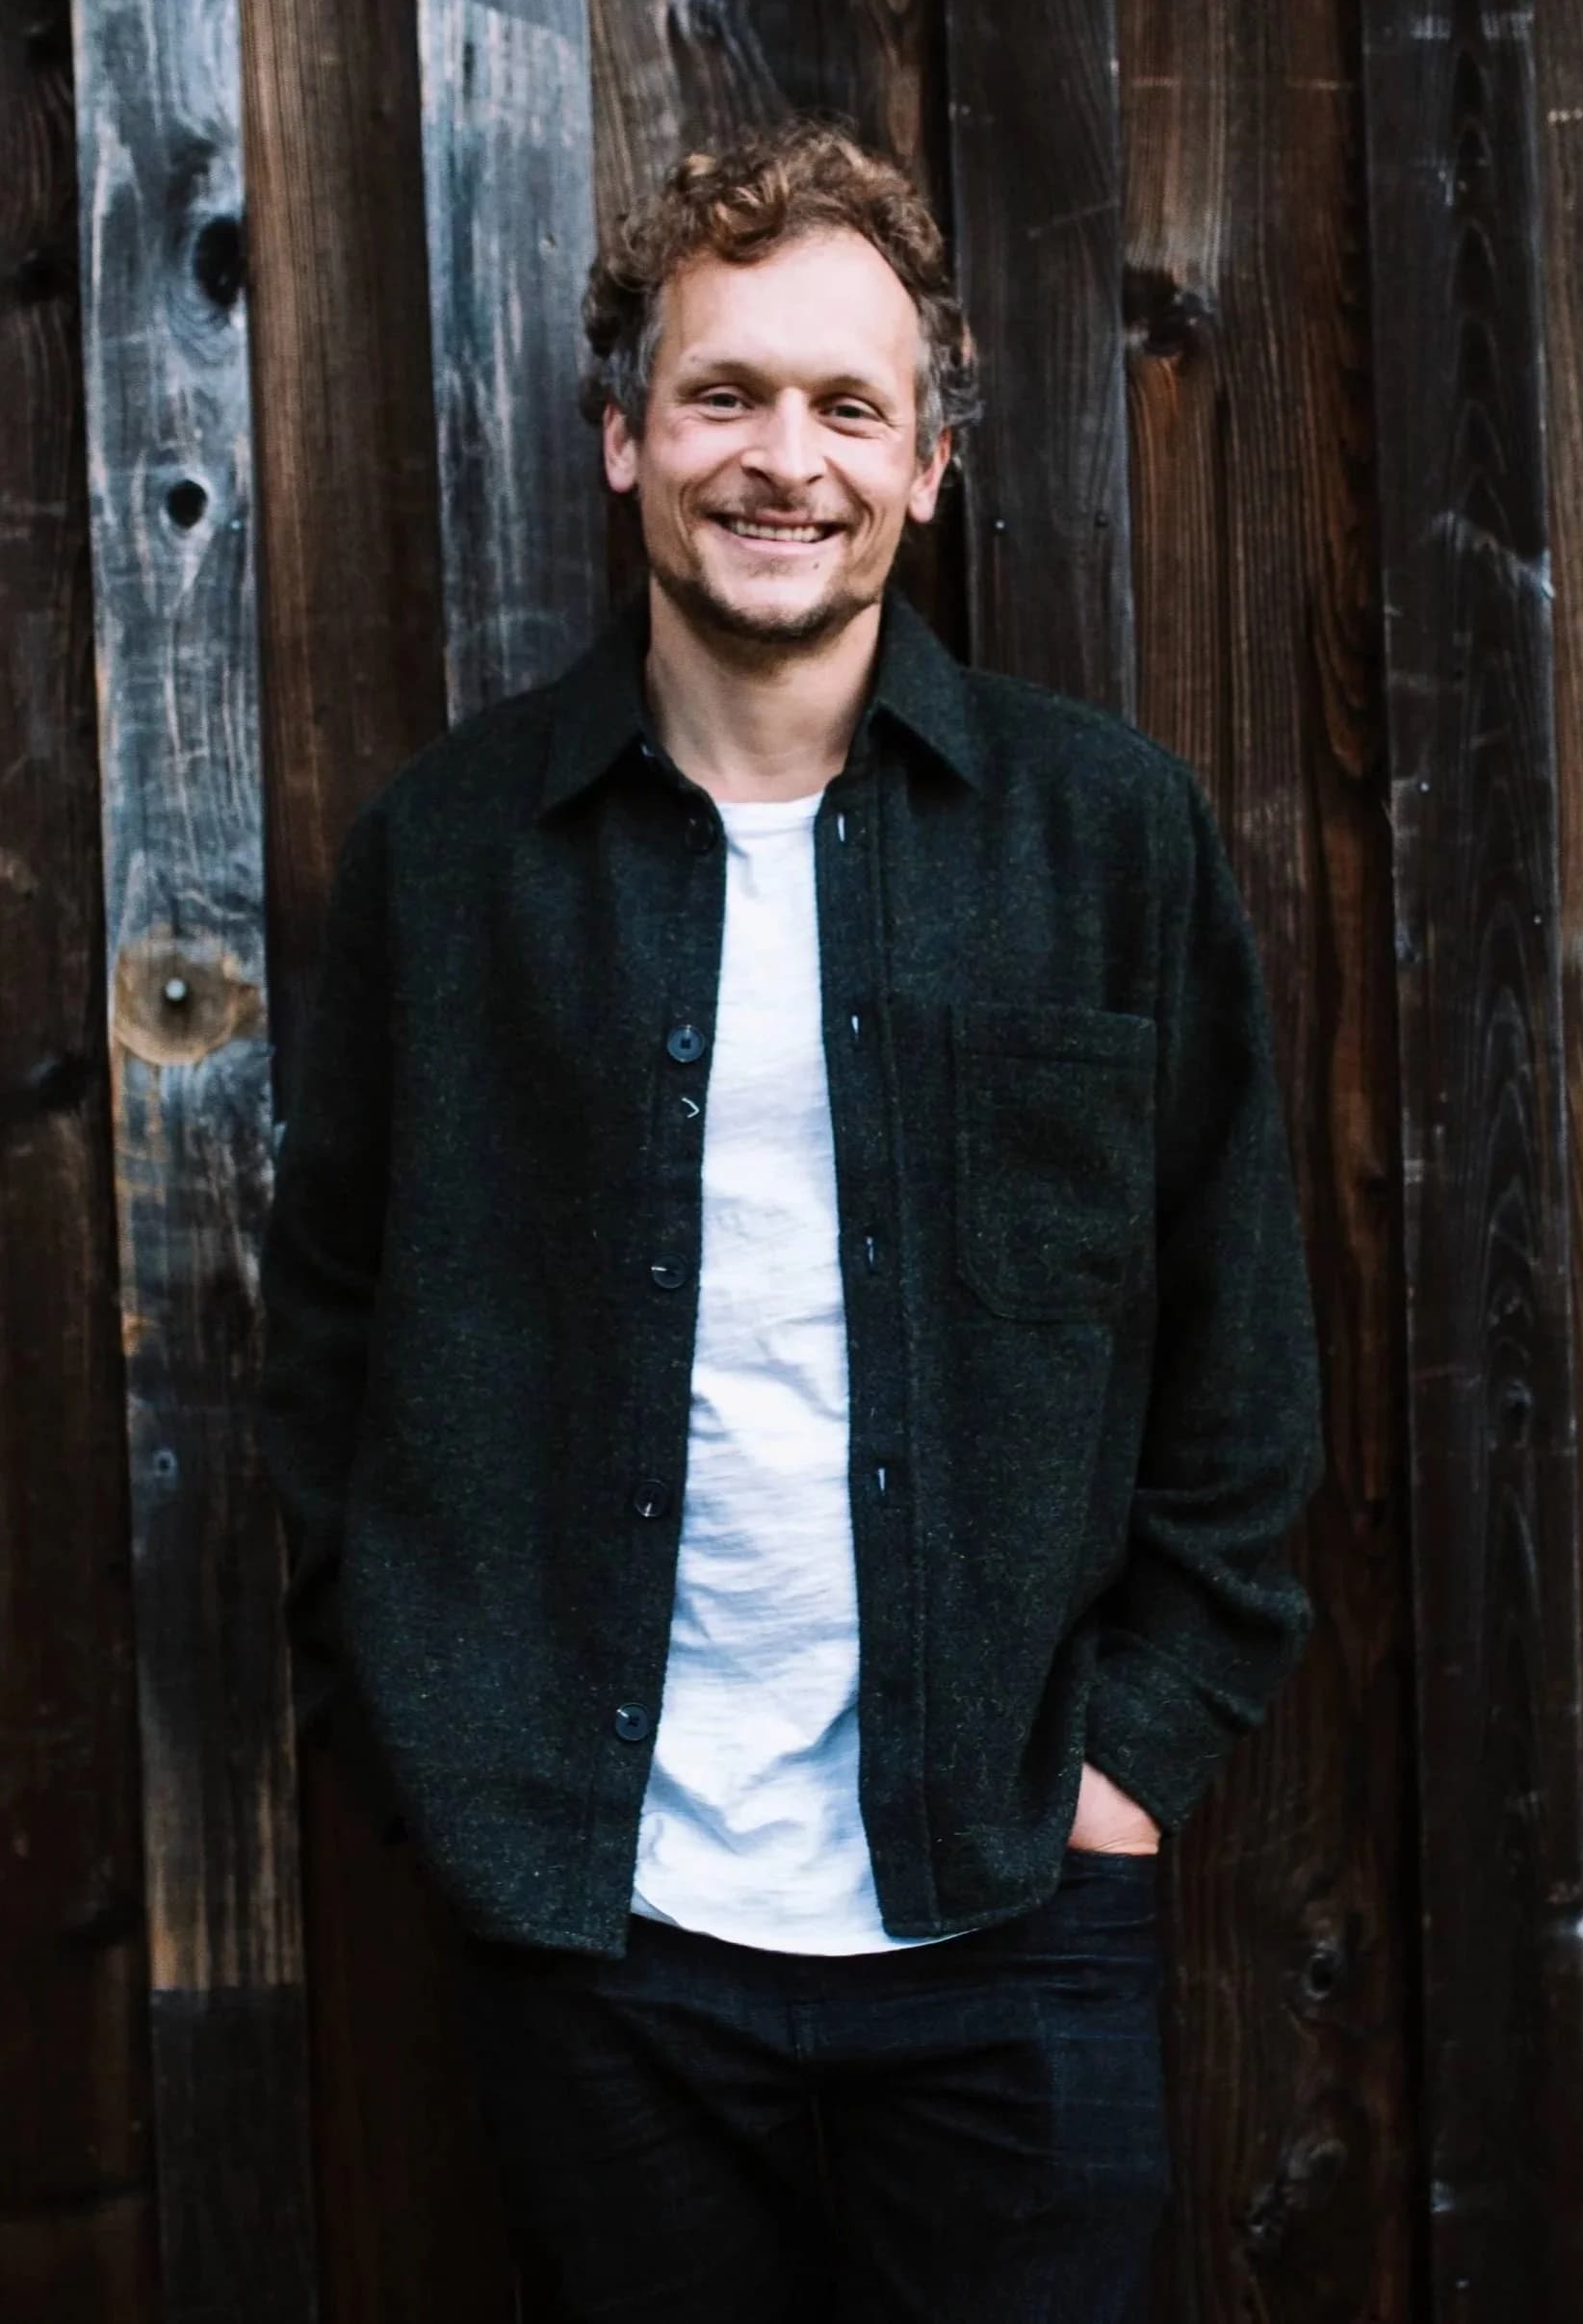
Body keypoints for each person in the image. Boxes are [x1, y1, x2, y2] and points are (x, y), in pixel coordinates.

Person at [257, 116, 1323, 2323]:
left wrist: (1126, 1769)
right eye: (725, 393)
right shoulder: (452, 860)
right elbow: (333, 1338)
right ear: (624, 434)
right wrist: (437, 1744)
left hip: (1014, 1906)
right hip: (606, 1935)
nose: (784, 457)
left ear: (928, 463)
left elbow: (1235, 1335)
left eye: (850, 403)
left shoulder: (1104, 836)